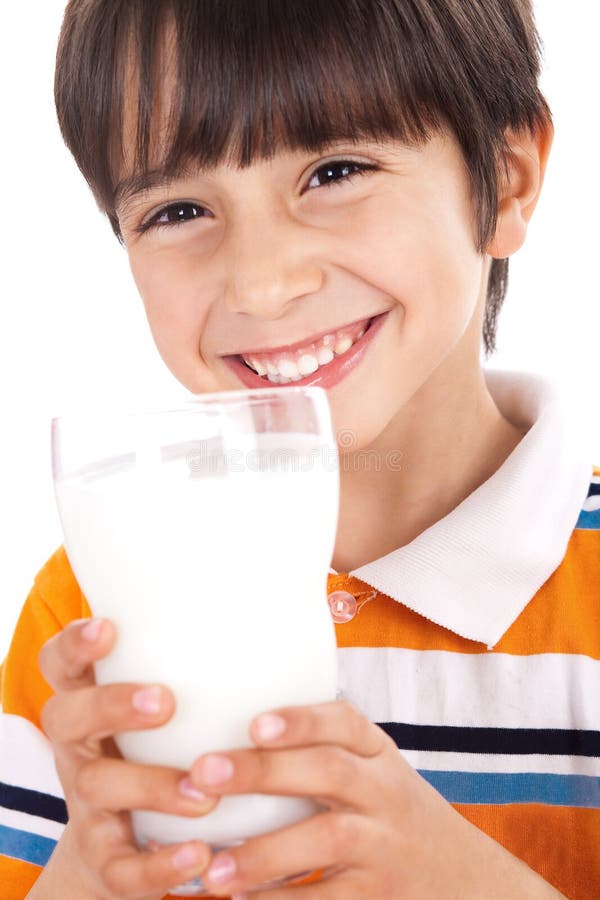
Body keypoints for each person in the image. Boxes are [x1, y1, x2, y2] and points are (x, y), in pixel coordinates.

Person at [1, 0, 598, 897]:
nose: (265, 282)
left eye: (336, 170)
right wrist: (93, 863)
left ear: (506, 182)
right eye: (178, 210)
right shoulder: (91, 612)